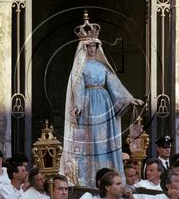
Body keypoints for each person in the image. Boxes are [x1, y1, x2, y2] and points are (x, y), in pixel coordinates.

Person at [61, 11, 143, 187]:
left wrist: (128, 98)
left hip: (105, 103)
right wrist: (79, 105)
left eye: (94, 46)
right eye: (89, 46)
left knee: (106, 139)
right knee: (92, 140)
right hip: (90, 105)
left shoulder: (102, 66)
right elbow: (78, 87)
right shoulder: (80, 69)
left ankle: (109, 174)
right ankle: (90, 177)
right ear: (84, 48)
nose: (92, 49)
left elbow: (114, 83)